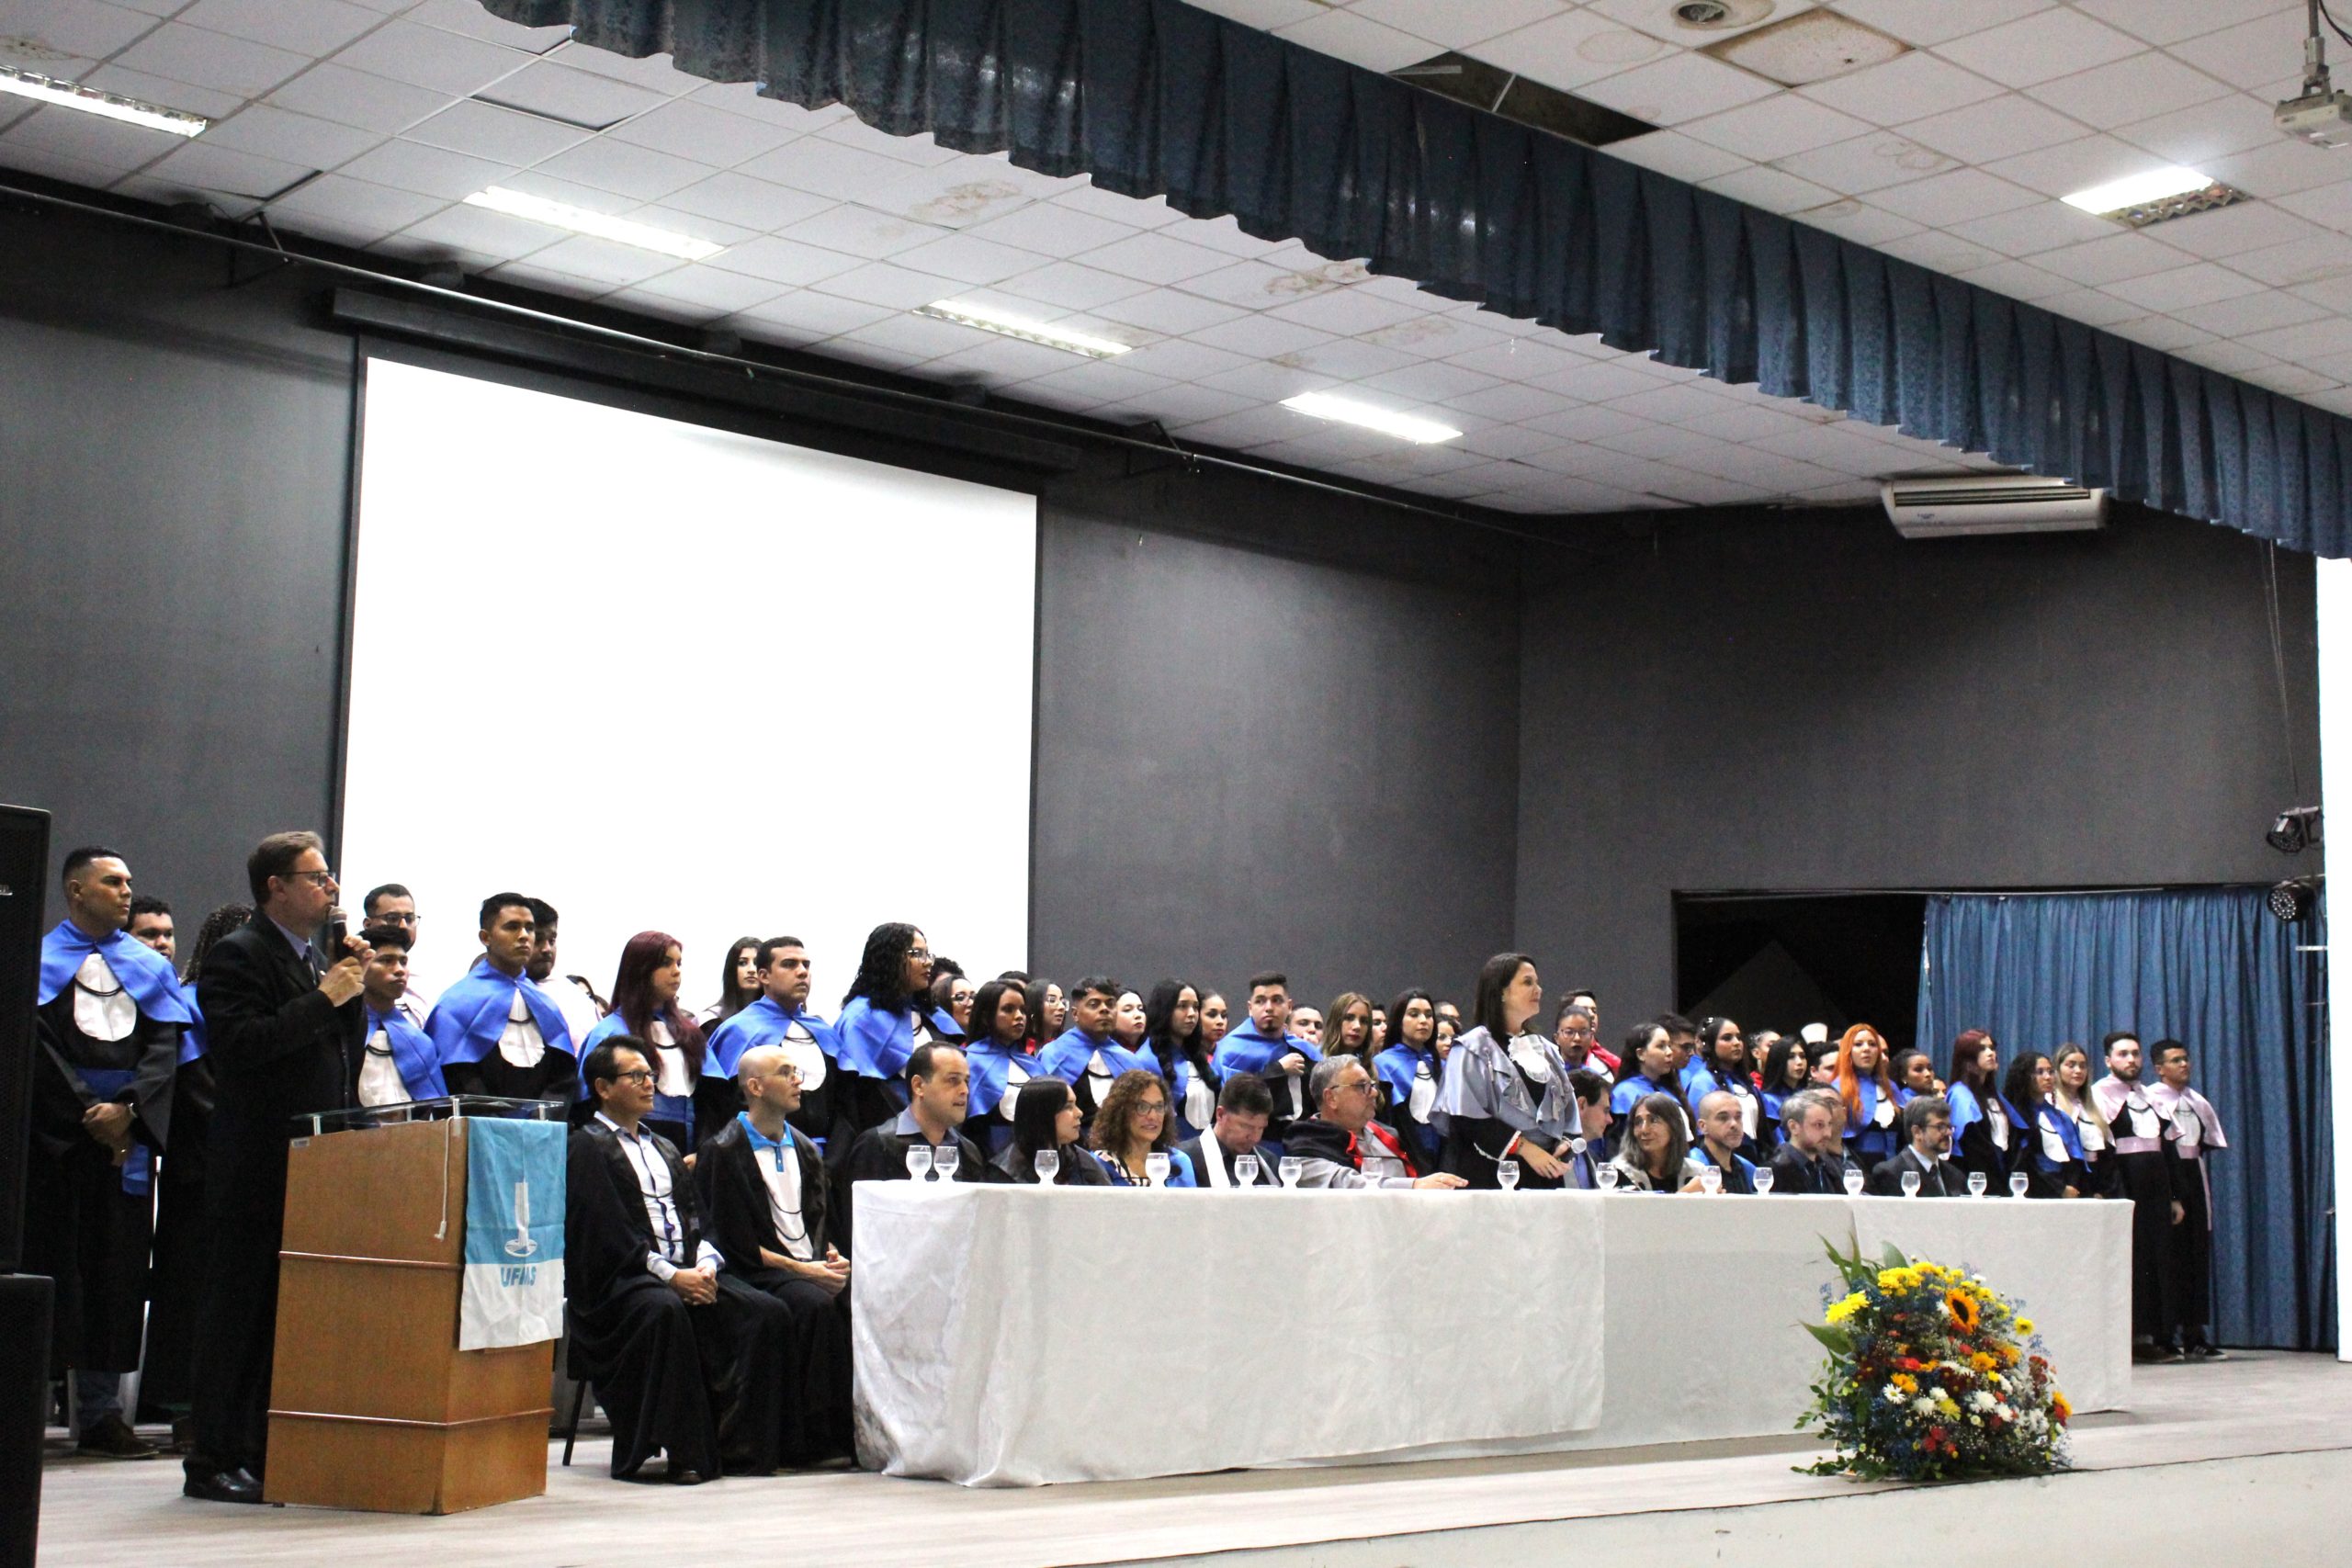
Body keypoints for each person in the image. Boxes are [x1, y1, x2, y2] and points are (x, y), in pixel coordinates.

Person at [185, 831, 368, 1504]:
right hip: (255, 1164)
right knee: (236, 1316)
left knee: (278, 1318)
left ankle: (262, 1450)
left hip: (309, 1162)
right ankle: (211, 1458)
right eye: (317, 877)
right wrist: (325, 997)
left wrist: (346, 989)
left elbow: (339, 1051)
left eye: (330, 875)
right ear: (276, 887)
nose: (331, 888)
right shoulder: (238, 954)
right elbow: (240, 1046)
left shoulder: (313, 956)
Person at [567, 1040, 791, 1482]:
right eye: (636, 1076)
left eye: (650, 1075)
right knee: (664, 1311)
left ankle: (741, 1448)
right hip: (622, 1281)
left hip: (686, 1271)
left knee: (766, 1312)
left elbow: (698, 1218)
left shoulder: (665, 1147)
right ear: (603, 1088)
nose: (649, 1084)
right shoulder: (586, 1147)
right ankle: (686, 1452)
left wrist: (705, 1266)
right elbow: (608, 1233)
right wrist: (673, 1277)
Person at [31, 847, 192, 1460]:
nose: (126, 891)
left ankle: (101, 1414)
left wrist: (126, 1111)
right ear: (76, 890)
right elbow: (37, 1048)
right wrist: (86, 1114)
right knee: (51, 1268)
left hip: (125, 1145)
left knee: (115, 1276)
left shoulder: (146, 968)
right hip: (58, 1144)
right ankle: (25, 1406)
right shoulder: (38, 960)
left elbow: (162, 1049)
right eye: (112, 881)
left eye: (129, 881)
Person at [694, 1043, 854, 1466]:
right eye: (785, 1072)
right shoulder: (723, 1150)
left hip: (801, 1266)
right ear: (755, 1087)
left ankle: (855, 1431)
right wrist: (806, 1270)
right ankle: (812, 1440)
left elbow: (820, 1222)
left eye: (796, 1071)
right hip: (753, 1271)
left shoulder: (805, 1147)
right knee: (813, 1305)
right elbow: (732, 1244)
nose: (797, 1080)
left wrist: (831, 1258)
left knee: (856, 1298)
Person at [139, 899, 246, 1444]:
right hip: (201, 1169)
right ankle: (185, 1407)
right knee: (189, 1290)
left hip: (243, 1168)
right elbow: (196, 1090)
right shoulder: (188, 1003)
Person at [1436, 952, 1577, 1190]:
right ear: (1501, 991)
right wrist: (1524, 1147)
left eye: (1537, 982)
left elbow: (1568, 1111)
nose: (1539, 989)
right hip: (1491, 1174)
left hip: (1544, 1175)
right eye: (1527, 982)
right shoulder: (1471, 1048)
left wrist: (1566, 1145)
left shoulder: (1547, 1050)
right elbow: (1466, 1118)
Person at [838, 1044, 994, 1248]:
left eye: (966, 1081)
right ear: (919, 1086)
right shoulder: (877, 1144)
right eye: (953, 1080)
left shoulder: (968, 1151)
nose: (964, 1090)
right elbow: (858, 1227)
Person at [2093, 1032, 2189, 1361]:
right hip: (2125, 1183)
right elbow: (2100, 1150)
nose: (2131, 1060)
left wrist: (2175, 1196)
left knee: (2160, 1257)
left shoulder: (2151, 1096)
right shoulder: (2099, 1095)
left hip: (2157, 1187)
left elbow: (2169, 1147)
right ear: (2108, 1061)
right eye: (2123, 1054)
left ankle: (2161, 1333)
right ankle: (2134, 1337)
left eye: (2135, 1053)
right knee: (2133, 1258)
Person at [702, 936, 846, 1156]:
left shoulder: (824, 1032)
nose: (802, 972)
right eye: (789, 964)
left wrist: (833, 1163)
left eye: (806, 965)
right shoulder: (738, 1030)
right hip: (757, 1156)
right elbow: (717, 1108)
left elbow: (845, 1107)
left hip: (825, 1160)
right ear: (764, 976)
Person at [430, 894, 578, 1103]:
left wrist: (544, 1115)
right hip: (480, 1118)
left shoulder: (546, 1003)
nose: (524, 936)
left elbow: (563, 1075)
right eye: (512, 927)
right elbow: (457, 1074)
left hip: (545, 1121)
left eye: (529, 928)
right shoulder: (456, 1003)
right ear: (485, 937)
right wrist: (496, 1116)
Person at [580, 931, 705, 1147]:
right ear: (640, 969)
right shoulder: (608, 1033)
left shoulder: (689, 1034)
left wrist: (701, 1151)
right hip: (622, 1146)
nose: (676, 971)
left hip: (688, 1148)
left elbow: (711, 1100)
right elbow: (587, 1105)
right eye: (666, 963)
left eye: (679, 963)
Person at [833, 922, 957, 1132]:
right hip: (883, 1133)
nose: (928, 962)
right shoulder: (860, 1018)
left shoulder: (931, 1014)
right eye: (917, 954)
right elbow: (854, 1097)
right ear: (890, 958)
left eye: (928, 954)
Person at [2148, 1040, 2229, 1359]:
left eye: (2185, 1059)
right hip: (2166, 1172)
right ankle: (2163, 1335)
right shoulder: (2151, 1099)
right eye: (2175, 1060)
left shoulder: (2198, 1101)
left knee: (2196, 1254)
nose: (2184, 1064)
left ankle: (2194, 1334)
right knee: (2169, 1256)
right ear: (2159, 1068)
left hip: (2193, 1173)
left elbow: (2207, 1142)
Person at [1286, 1056, 1466, 1190]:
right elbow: (1346, 1185)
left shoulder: (1388, 1134)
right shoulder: (1306, 1142)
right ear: (1331, 1098)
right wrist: (1413, 1186)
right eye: (1361, 1086)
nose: (1374, 1093)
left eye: (1372, 1086)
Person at [1210, 971, 1320, 1137]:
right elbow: (1233, 1100)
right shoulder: (1230, 1050)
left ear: (1289, 1006)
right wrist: (1278, 1070)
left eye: (1277, 1000)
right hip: (1250, 1139)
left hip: (1301, 1138)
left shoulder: (1304, 1049)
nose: (1269, 1007)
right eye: (1260, 1001)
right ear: (1250, 1008)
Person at [1038, 975, 1154, 1123]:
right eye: (1094, 1005)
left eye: (1110, 1004)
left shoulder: (1128, 1059)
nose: (1104, 1009)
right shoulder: (1054, 1054)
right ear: (1075, 1014)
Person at [354, 923, 446, 1106]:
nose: (399, 970)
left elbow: (437, 1106)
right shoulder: (343, 1033)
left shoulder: (419, 1041)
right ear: (361, 966)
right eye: (386, 960)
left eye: (403, 962)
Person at [961, 976, 1036, 1154]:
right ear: (986, 1017)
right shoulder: (968, 1059)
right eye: (1008, 1009)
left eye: (1023, 1010)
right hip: (985, 1153)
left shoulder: (1032, 1062)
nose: (1019, 1016)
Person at [1086, 1068, 1196, 1186]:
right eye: (1142, 1107)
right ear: (1121, 1112)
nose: (1153, 1116)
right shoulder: (1099, 1164)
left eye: (1159, 1107)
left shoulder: (1178, 1162)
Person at [1373, 987, 1444, 1166]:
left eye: (1429, 1015)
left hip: (1443, 1153)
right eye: (1414, 1014)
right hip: (1402, 1154)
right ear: (1399, 1021)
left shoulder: (1441, 1065)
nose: (1423, 1021)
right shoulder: (1383, 1064)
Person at [997, 1077, 1112, 1184]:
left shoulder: (1084, 1163)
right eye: (1068, 1107)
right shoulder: (1003, 1173)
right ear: (1043, 1114)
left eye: (1075, 1105)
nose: (1079, 1113)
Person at [523, 897, 605, 1047]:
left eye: (552, 940)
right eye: (538, 940)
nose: (547, 949)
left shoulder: (575, 996)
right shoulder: (500, 994)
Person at [1140, 980, 1216, 1140]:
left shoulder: (1198, 1056)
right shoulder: (1145, 1061)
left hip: (1207, 1146)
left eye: (1196, 1007)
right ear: (1164, 1010)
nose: (1192, 1014)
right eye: (1182, 1006)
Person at [1945, 1029, 2021, 1187]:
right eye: (1982, 1049)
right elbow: (1972, 1146)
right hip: (1975, 1178)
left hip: (2002, 1173)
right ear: (1966, 1058)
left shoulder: (1994, 1096)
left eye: (1992, 1048)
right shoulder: (1960, 1095)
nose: (1991, 1053)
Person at [2007, 1052, 2088, 1200]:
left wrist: (2070, 1186)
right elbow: (2021, 1161)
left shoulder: (2061, 1117)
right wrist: (2058, 1188)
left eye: (2050, 1071)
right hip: (2033, 1189)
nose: (2048, 1077)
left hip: (2065, 1187)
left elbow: (2074, 1157)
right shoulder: (2015, 1116)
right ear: (2024, 1076)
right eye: (2040, 1072)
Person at [1684, 1017, 1767, 1159]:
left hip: (1753, 1155)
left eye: (1739, 1038)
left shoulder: (1745, 1080)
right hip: (1719, 1158)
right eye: (1727, 1038)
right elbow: (1701, 1134)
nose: (1736, 1043)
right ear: (1710, 1044)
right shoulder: (1702, 1082)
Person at [1174, 1073, 1274, 1189]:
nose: (1255, 1138)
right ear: (1221, 1115)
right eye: (1247, 1127)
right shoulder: (1183, 1160)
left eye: (1261, 1128)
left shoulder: (1270, 1162)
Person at [1834, 1024, 1904, 1170]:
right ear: (1847, 1050)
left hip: (1895, 1166)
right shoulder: (1838, 1088)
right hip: (1856, 1167)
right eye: (1858, 1044)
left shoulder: (1891, 1087)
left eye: (1872, 1044)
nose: (1866, 1049)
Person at [1605, 1094, 1708, 1191]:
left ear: (1674, 1127)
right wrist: (1685, 1194)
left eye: (1653, 1120)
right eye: (1638, 1122)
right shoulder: (1620, 1171)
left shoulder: (1696, 1172)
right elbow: (1635, 1206)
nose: (1644, 1130)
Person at [1866, 1096, 1965, 1197]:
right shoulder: (1890, 1173)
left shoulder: (1956, 1176)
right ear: (1917, 1132)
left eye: (1949, 1127)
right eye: (1941, 1127)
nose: (1949, 1133)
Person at [360, 882, 430, 1027]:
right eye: (392, 918)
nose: (403, 926)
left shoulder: (424, 985)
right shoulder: (349, 978)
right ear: (368, 925)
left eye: (409, 919)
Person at [1766, 1089, 1858, 1194]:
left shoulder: (1828, 1166)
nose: (1827, 1133)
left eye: (1829, 1124)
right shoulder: (1777, 1170)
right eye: (1819, 1125)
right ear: (1793, 1127)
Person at [2052, 1042, 2114, 1195]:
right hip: (2064, 1178)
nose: (2078, 1071)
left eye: (2082, 1066)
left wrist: (2102, 1190)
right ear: (2058, 1069)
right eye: (2071, 1065)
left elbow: (2105, 1153)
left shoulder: (2095, 1103)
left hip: (2093, 1178)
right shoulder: (2051, 1102)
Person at [1609, 1021, 1681, 1122]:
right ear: (1641, 1054)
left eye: (1669, 1045)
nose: (1669, 1052)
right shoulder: (1625, 1093)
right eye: (1661, 1046)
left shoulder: (1668, 1089)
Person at [1690, 1089, 1758, 1192]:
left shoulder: (1748, 1169)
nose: (1734, 1124)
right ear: (1703, 1126)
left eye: (1738, 1117)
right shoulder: (1691, 1166)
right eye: (1723, 1118)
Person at [1563, 1070, 1611, 1188]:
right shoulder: (1544, 1155)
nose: (1610, 1120)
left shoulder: (1593, 1158)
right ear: (1582, 1105)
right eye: (1605, 1111)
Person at [702, 936, 762, 1031]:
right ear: (731, 969)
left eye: (757, 963)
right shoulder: (711, 1019)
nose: (751, 969)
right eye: (742, 963)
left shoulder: (777, 1018)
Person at [1759, 1034, 1812, 1133]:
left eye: (1802, 1056)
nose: (1799, 1062)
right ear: (1778, 1061)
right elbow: (1776, 1137)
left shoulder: (1811, 1096)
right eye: (1791, 1057)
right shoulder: (1768, 1100)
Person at [1322, 992, 1376, 1066]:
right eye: (1349, 1018)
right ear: (1335, 1021)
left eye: (1364, 1021)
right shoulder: (1315, 1061)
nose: (1357, 1026)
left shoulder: (1372, 1067)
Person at [1021, 977, 1067, 1048]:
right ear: (1034, 1005)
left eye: (1062, 1001)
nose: (1062, 1007)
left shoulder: (1068, 1045)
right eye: (1052, 1000)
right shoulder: (1016, 1044)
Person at [1111, 988, 1150, 1053]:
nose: (1138, 1015)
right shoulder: (1102, 1054)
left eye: (1141, 1009)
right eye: (1127, 1010)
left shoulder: (1154, 1049)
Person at [1199, 990, 1231, 1054]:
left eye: (1224, 1016)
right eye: (1212, 1015)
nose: (1220, 1021)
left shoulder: (1231, 1055)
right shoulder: (1183, 1056)